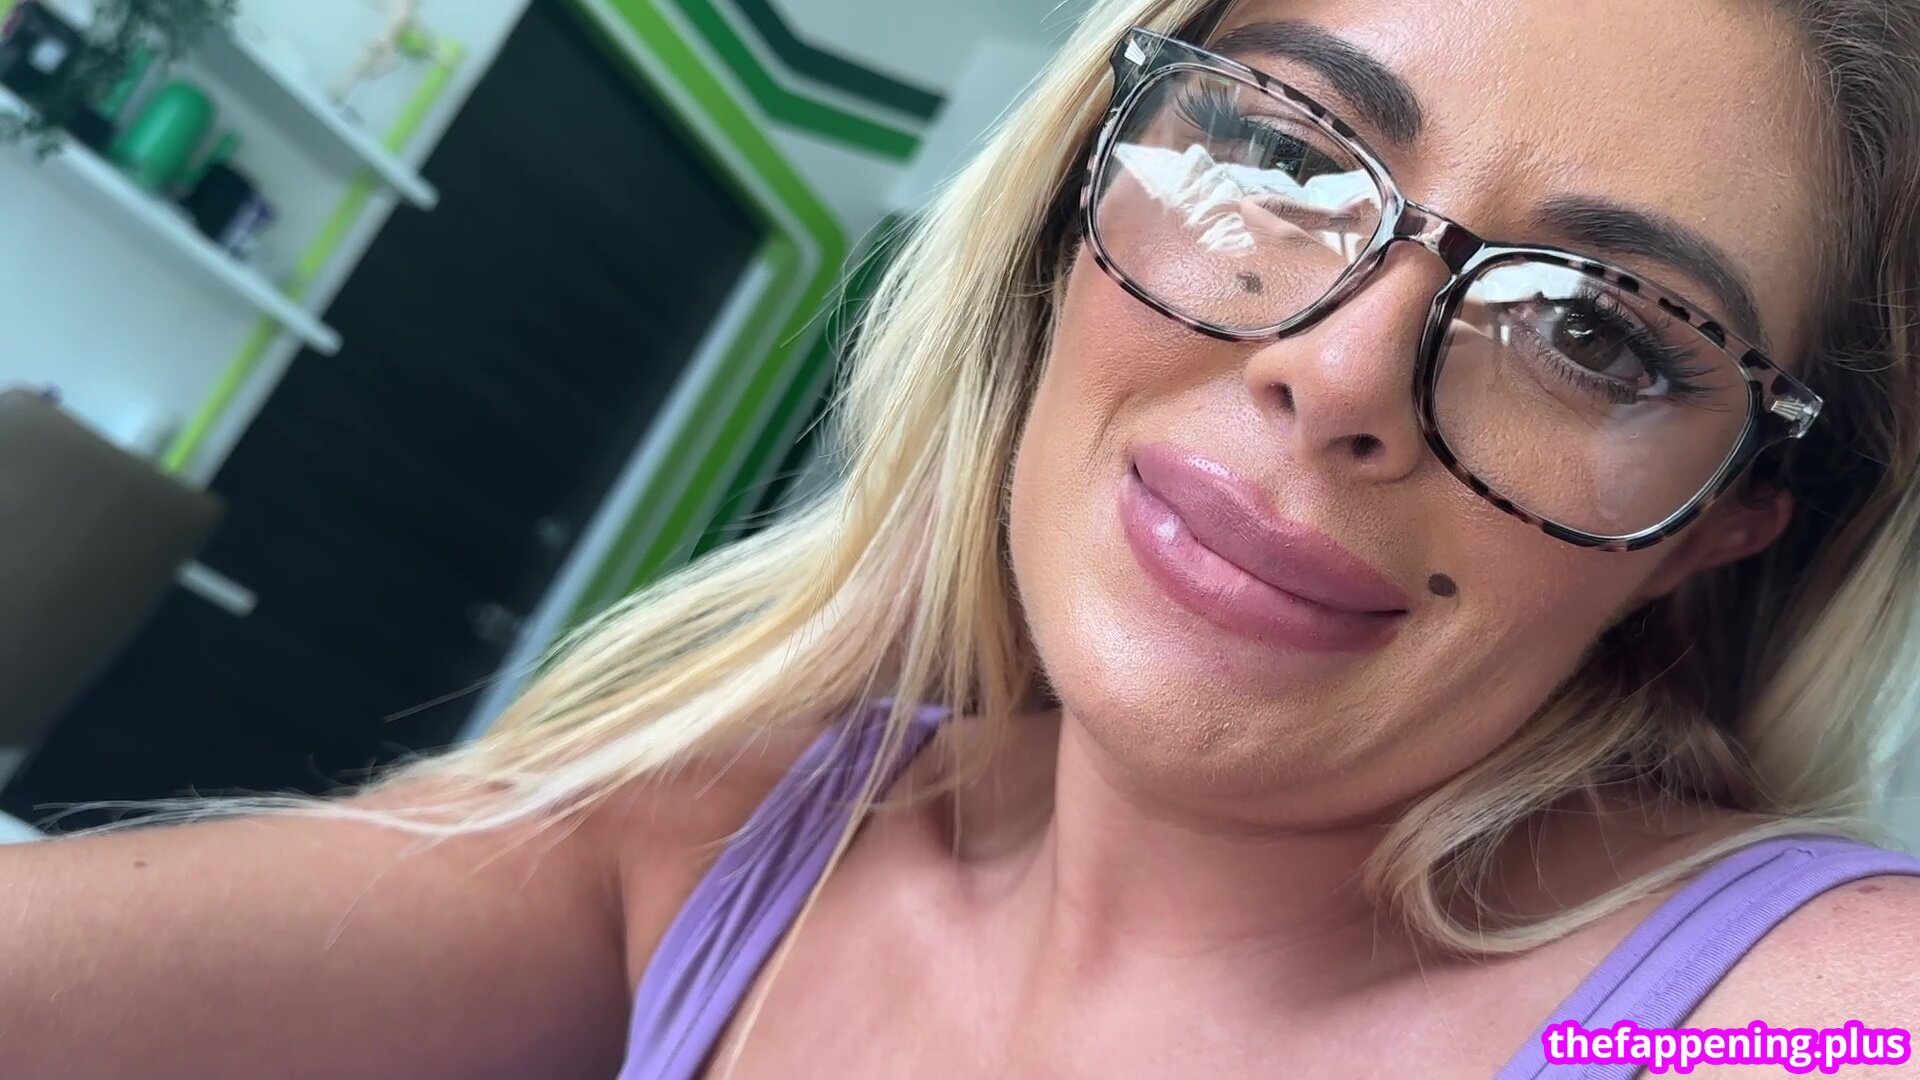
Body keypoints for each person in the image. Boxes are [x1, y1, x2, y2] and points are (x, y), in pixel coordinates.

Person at [7, 0, 1920, 1076]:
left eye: (1598, 336)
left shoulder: (1783, 1023)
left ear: (1719, 528)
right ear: (1067, 202)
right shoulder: (730, 843)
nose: (1339, 373)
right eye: (1277, 152)